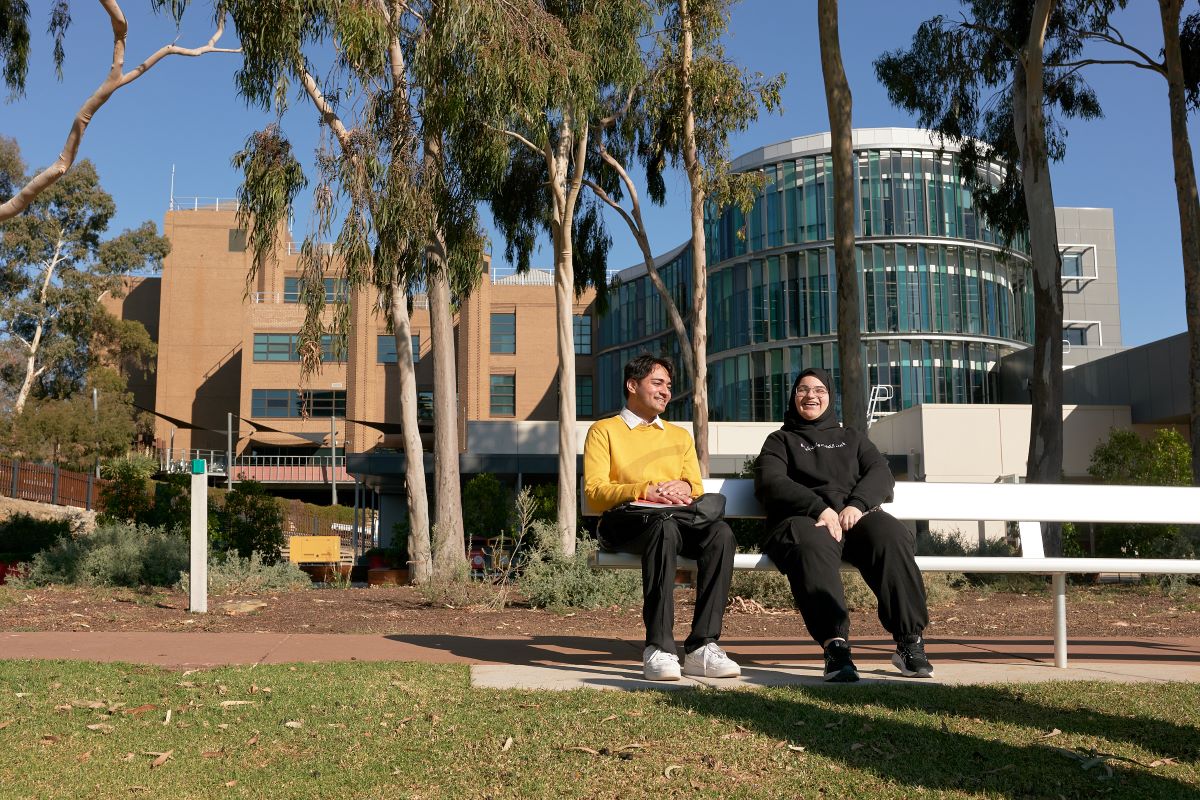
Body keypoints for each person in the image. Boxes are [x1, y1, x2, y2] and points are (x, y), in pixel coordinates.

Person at [754, 367, 934, 682]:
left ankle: (909, 641)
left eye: (819, 390)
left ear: (830, 396)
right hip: (804, 520)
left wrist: (857, 504)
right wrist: (818, 508)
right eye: (803, 389)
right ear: (794, 396)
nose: (810, 396)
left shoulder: (851, 438)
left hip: (854, 518)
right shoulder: (780, 440)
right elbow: (770, 482)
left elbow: (880, 473)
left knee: (891, 535)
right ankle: (836, 646)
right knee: (813, 544)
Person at [583, 354, 741, 681]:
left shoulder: (678, 436)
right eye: (658, 383)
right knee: (664, 527)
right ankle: (659, 648)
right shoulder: (604, 431)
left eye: (668, 385)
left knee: (721, 534)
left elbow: (695, 487)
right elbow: (595, 492)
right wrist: (645, 491)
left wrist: (681, 486)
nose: (666, 391)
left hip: (674, 519)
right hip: (625, 522)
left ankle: (702, 647)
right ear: (632, 385)